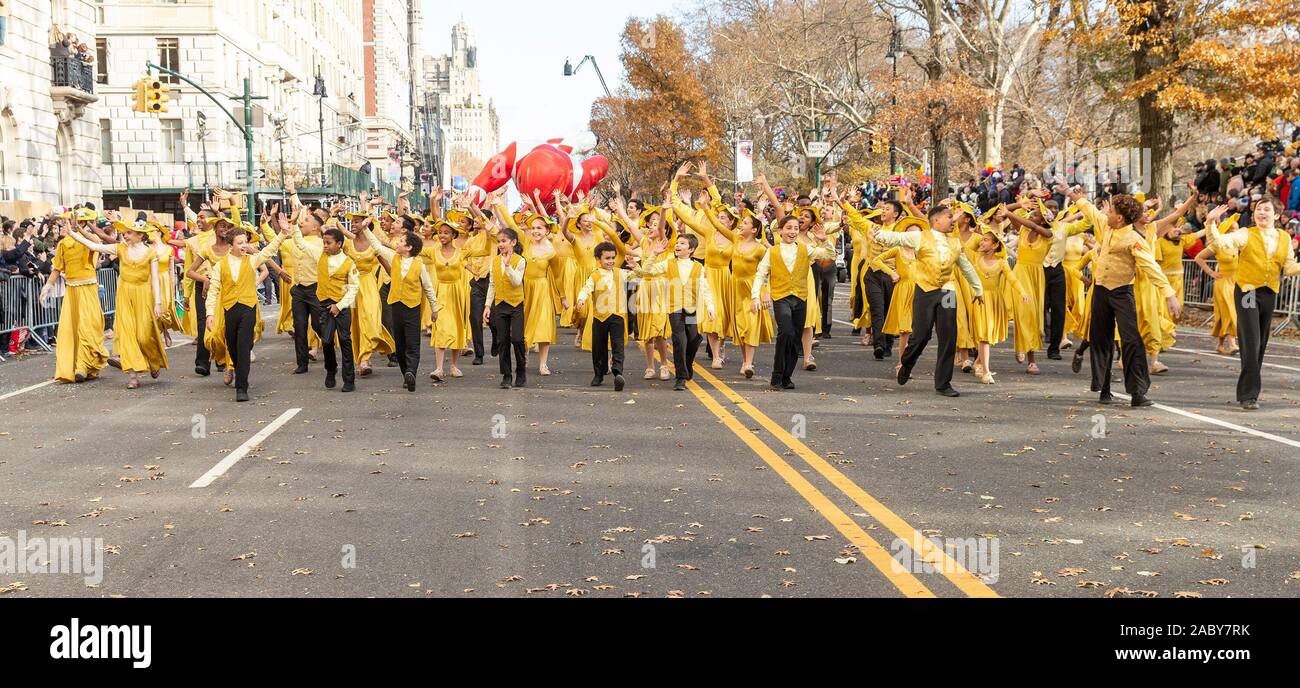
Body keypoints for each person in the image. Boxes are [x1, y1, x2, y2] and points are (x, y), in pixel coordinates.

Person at [1068, 188, 1180, 407]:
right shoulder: (1105, 225)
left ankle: (1137, 392)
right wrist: (1072, 195)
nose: (1107, 213)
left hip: (1122, 292)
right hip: (1100, 291)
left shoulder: (1133, 239)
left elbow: (1150, 266)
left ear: (1119, 218)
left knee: (1131, 341)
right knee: (1101, 339)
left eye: (1111, 210)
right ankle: (1104, 388)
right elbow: (1090, 210)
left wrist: (1169, 294)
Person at [871, 208, 985, 397]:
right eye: (949, 217)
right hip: (924, 290)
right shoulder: (920, 237)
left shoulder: (955, 243)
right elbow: (897, 239)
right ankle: (907, 363)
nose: (952, 221)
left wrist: (978, 289)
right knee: (921, 335)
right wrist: (878, 234)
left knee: (949, 336)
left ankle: (943, 383)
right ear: (936, 221)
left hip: (947, 291)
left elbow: (966, 266)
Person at [1204, 197, 1300, 409]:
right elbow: (1220, 243)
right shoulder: (1245, 233)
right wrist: (1211, 223)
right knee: (1251, 340)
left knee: (1261, 343)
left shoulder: (1284, 238)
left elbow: (1290, 268)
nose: (1261, 213)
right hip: (1247, 291)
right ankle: (1248, 395)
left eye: (1266, 210)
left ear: (1276, 215)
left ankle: (1250, 389)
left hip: (1269, 292)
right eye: (1258, 209)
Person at [65, 214, 168, 388]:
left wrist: (158, 303)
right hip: (124, 294)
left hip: (143, 295)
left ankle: (153, 359)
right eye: (125, 232)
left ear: (140, 235)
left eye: (129, 233)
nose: (125, 235)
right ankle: (133, 375)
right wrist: (73, 232)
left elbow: (155, 279)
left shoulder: (151, 253)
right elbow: (94, 245)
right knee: (127, 335)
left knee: (144, 336)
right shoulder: (120, 248)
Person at [204, 217, 288, 402]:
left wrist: (282, 233)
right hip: (229, 308)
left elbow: (268, 251)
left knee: (243, 347)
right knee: (232, 347)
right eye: (240, 243)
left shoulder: (251, 260)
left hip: (248, 308)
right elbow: (214, 290)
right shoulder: (220, 265)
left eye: (245, 242)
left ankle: (242, 387)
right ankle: (236, 368)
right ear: (231, 245)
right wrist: (210, 313)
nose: (244, 245)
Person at [751, 215, 835, 390]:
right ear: (780, 231)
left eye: (796, 228)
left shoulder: (805, 249)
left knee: (796, 339)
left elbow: (829, 254)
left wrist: (824, 240)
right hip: (781, 298)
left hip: (801, 298)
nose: (792, 232)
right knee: (786, 333)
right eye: (788, 228)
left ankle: (787, 376)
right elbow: (760, 274)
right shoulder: (772, 251)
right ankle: (777, 374)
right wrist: (756, 296)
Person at [362, 221, 438, 392]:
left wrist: (434, 309)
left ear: (409, 247)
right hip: (396, 306)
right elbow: (377, 246)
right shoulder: (394, 257)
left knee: (413, 343)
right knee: (401, 344)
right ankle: (406, 374)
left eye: (402, 242)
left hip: (412, 308)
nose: (398, 243)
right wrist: (366, 229)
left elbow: (428, 288)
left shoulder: (420, 265)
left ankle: (412, 371)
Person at [40, 209, 108, 383]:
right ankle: (75, 365)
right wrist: (47, 287)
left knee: (87, 327)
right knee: (70, 329)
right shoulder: (63, 244)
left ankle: (83, 366)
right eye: (67, 221)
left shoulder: (88, 239)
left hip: (88, 288)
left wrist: (79, 230)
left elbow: (97, 241)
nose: (65, 225)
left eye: (70, 221)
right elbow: (57, 268)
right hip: (71, 290)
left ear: (82, 223)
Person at [664, 233, 716, 390]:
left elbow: (705, 288)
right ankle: (680, 377)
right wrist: (654, 254)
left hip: (691, 309)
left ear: (691, 249)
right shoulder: (669, 263)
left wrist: (710, 307)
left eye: (682, 243)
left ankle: (687, 364)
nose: (678, 245)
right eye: (677, 243)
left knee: (694, 339)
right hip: (674, 308)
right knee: (680, 340)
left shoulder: (698, 267)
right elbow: (649, 270)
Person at [313, 228, 360, 393]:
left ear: (339, 244)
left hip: (343, 306)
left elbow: (353, 288)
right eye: (323, 242)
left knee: (345, 340)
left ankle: (349, 379)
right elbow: (302, 245)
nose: (325, 246)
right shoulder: (321, 257)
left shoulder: (349, 263)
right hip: (324, 304)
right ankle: (331, 369)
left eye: (329, 243)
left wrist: (339, 306)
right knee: (326, 341)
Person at [483, 227, 527, 389]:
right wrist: (488, 305)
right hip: (500, 305)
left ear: (513, 243)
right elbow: (492, 284)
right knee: (502, 340)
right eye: (499, 241)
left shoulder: (520, 260)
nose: (501, 244)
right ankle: (506, 375)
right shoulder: (494, 261)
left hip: (516, 304)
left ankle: (521, 370)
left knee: (517, 339)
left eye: (504, 241)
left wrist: (508, 266)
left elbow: (516, 282)